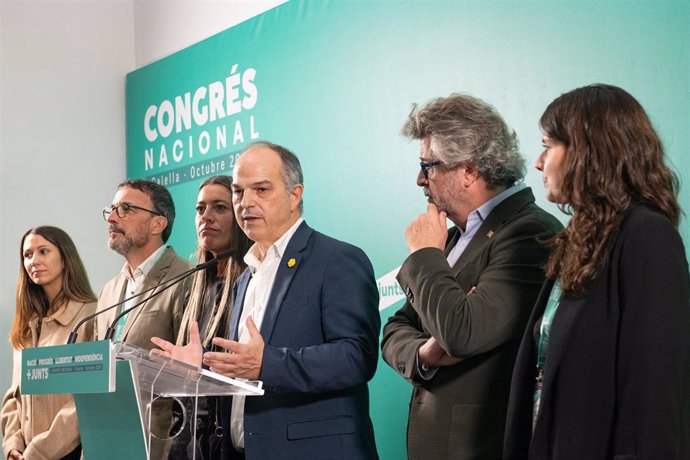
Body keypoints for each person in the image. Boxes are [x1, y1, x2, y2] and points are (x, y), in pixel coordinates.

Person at [154, 141, 380, 459]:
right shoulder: (245, 278)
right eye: (238, 192)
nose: (245, 203)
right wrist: (203, 370)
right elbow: (243, 373)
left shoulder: (336, 260)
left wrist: (267, 364)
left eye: (261, 189)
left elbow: (357, 357)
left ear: (294, 194)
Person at [503, 84, 690, 460]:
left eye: (548, 145)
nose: (539, 162)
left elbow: (655, 386)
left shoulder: (647, 235)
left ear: (589, 152)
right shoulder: (580, 237)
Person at [381, 94, 562, 460]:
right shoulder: (452, 237)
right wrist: (424, 354)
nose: (420, 179)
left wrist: (425, 254)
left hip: (482, 446)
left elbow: (461, 333)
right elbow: (394, 330)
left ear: (469, 170)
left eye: (427, 166)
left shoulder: (529, 232)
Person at [96, 179, 191, 457]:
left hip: (158, 442)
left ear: (157, 224)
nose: (112, 218)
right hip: (106, 437)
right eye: (112, 209)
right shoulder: (108, 290)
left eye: (126, 208)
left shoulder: (185, 279)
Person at [160, 175, 252, 460]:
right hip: (190, 442)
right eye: (200, 209)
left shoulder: (252, 287)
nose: (207, 217)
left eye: (220, 208)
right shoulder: (195, 287)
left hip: (231, 442)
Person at [1, 226, 97, 460]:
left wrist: (39, 451)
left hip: (70, 452)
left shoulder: (92, 314)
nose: (34, 260)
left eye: (44, 251)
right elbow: (15, 395)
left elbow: (87, 398)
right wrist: (13, 445)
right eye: (27, 254)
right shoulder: (26, 324)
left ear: (65, 258)